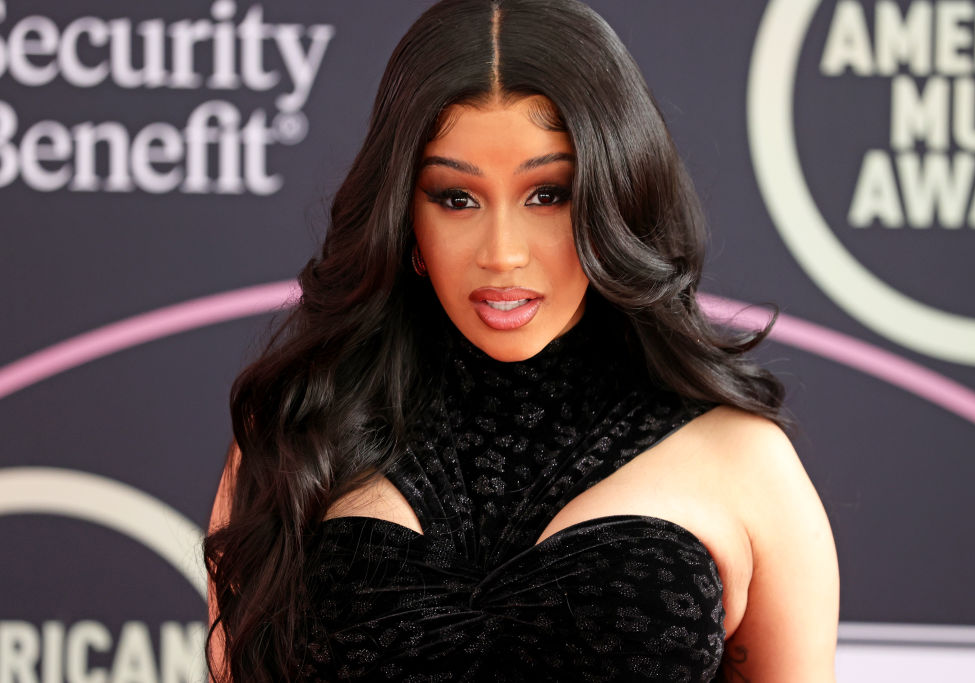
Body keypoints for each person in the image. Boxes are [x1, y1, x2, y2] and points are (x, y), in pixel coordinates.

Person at [204, 0, 840, 681]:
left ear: (615, 197)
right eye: (457, 197)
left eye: (548, 195)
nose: (502, 253)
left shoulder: (744, 464)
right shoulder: (297, 436)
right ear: (404, 215)